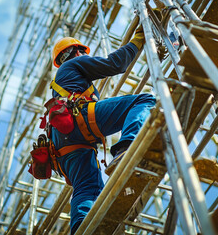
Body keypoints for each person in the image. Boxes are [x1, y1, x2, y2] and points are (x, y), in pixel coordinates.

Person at [49, 26, 156, 234]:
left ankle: (82, 229)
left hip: (64, 147)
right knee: (144, 100)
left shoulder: (61, 82)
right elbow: (115, 64)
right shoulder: (73, 65)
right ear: (70, 55)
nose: (82, 55)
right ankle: (126, 148)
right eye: (78, 51)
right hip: (79, 120)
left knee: (86, 190)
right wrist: (138, 40)